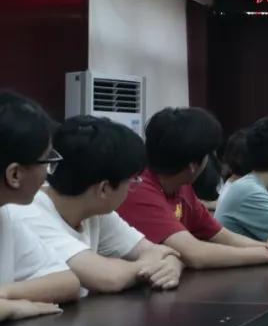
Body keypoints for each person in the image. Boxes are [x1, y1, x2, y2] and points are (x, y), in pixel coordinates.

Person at [12, 116, 185, 294]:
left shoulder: (96, 210)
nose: (132, 188)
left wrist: (171, 266)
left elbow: (161, 252)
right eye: (132, 181)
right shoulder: (28, 213)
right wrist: (154, 265)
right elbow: (108, 278)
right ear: (104, 189)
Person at [117, 108, 268, 269]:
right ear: (193, 165)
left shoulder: (182, 186)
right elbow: (195, 254)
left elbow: (222, 236)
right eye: (208, 155)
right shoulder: (138, 189)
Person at [0, 90, 80, 307]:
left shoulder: (5, 215)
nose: (48, 172)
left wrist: (5, 295)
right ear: (15, 175)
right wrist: (12, 309)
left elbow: (68, 281)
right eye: (47, 160)